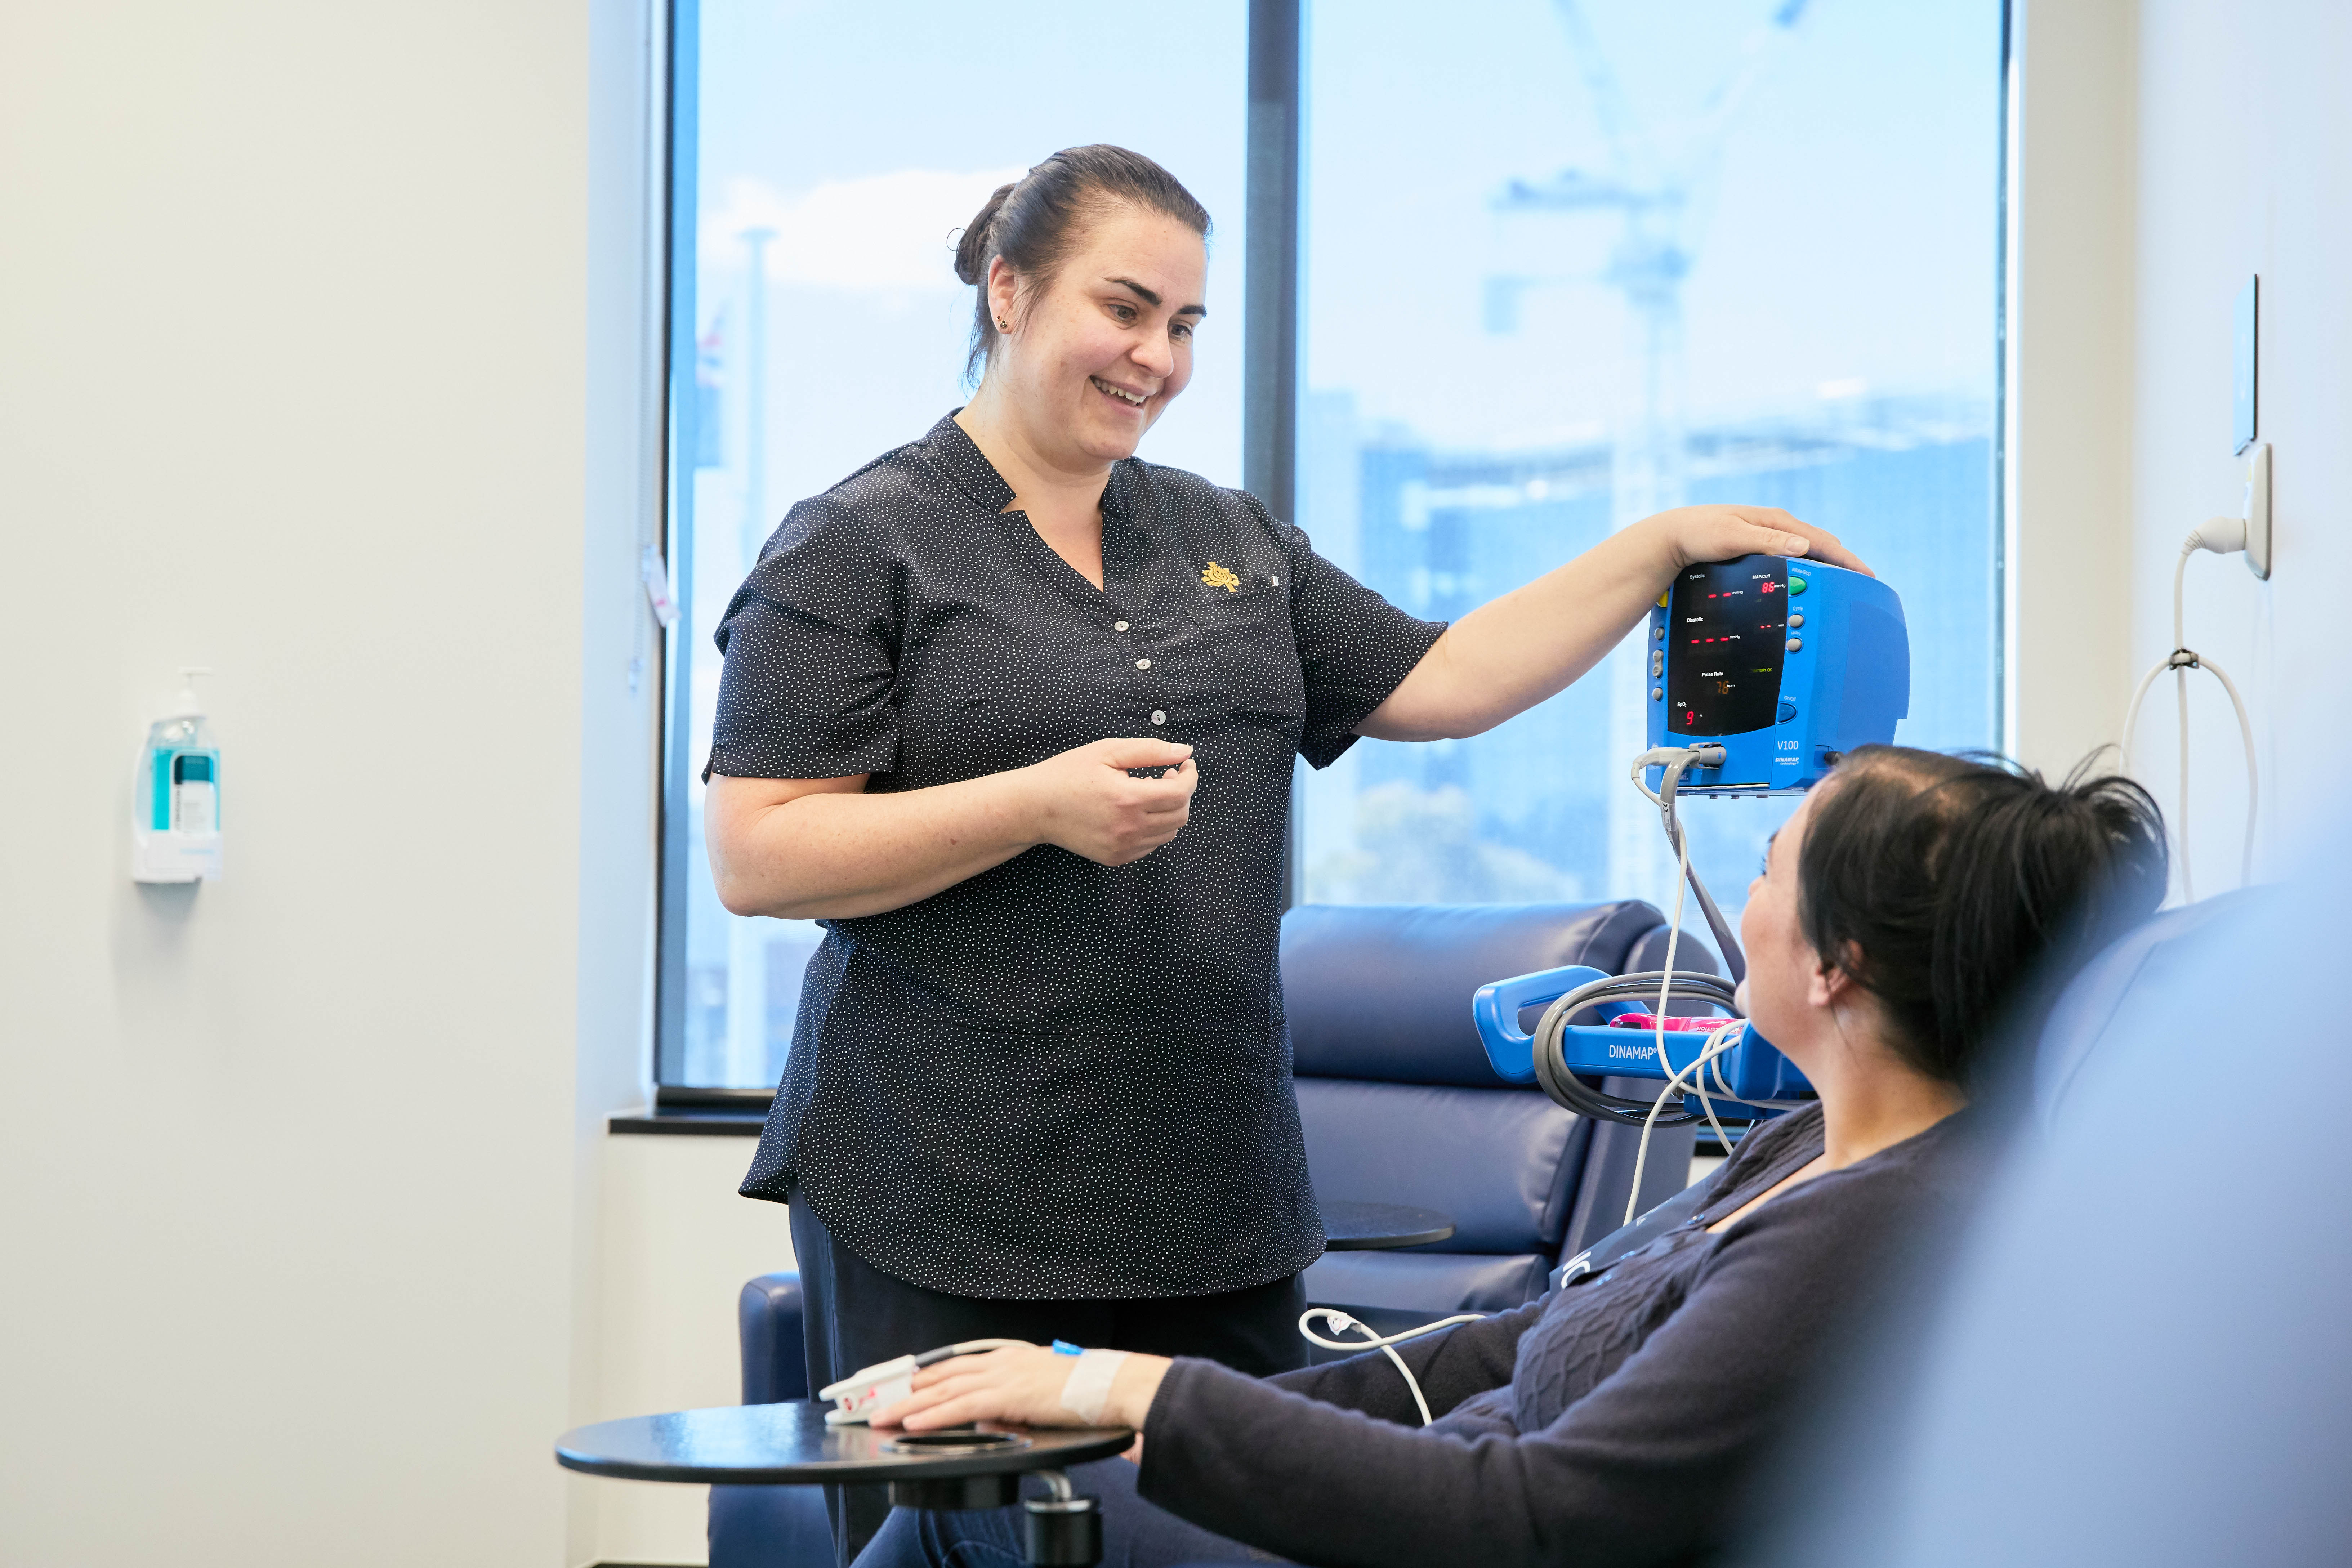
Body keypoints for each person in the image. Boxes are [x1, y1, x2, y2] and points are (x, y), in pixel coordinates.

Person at [701, 141, 1859, 1555]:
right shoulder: (858, 545)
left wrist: (1655, 546)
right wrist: (1033, 803)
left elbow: (1444, 678)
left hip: (1214, 1189)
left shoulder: (1225, 539)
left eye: (1185, 325)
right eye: (1124, 310)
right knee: (963, 1545)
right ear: (1008, 291)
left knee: (1247, 1539)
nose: (1159, 357)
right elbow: (759, 853)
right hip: (945, 1180)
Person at [859, 747, 2170, 1568]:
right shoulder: (1809, 1144)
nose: (1743, 905)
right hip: (1439, 1503)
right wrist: (1109, 1398)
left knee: (962, 1511)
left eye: (1769, 873)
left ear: (1837, 965)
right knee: (1022, 1461)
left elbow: (1533, 1518)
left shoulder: (1878, 1226)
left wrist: (1139, 1403)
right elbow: (1505, 1352)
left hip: (1462, 1534)